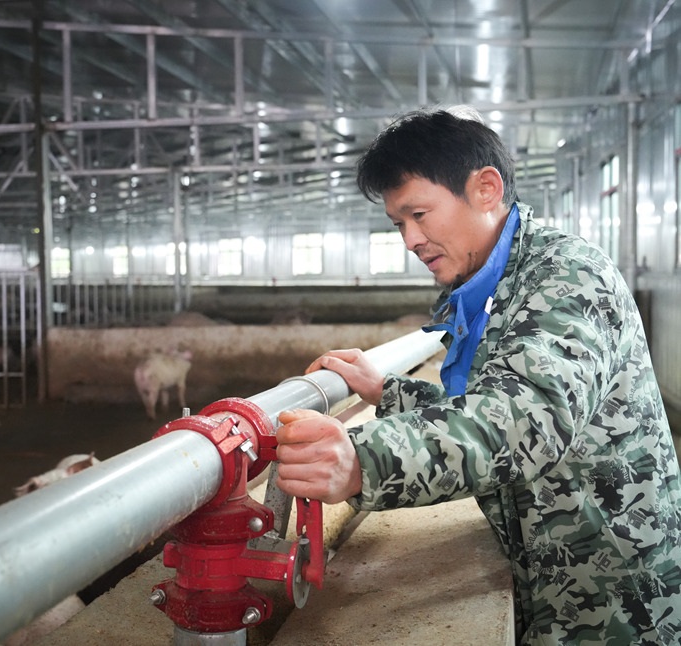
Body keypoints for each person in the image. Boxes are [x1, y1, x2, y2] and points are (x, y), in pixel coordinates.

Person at [275, 105, 681, 645]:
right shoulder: (493, 285)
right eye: (399, 223)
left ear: (486, 189)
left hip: (614, 597)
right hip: (555, 568)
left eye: (419, 214)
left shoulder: (567, 276)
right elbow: (490, 401)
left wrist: (363, 459)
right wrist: (387, 392)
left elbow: (530, 416)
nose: (410, 240)